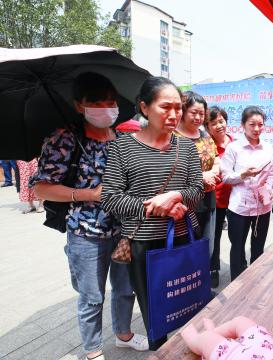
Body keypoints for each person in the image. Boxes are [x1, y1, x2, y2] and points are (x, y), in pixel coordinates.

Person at [31, 72, 147, 360]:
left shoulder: (122, 137)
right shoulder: (64, 137)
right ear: (79, 105)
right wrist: (87, 194)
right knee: (92, 297)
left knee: (125, 288)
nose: (105, 107)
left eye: (110, 101)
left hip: (124, 232)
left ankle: (123, 334)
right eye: (95, 101)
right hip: (86, 234)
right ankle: (93, 350)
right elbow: (41, 188)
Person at [101, 76, 203, 350]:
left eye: (178, 108)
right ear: (145, 108)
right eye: (165, 107)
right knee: (155, 312)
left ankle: (192, 348)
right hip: (145, 246)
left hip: (184, 239)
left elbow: (197, 191)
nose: (174, 115)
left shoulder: (187, 147)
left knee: (189, 300)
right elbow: (110, 198)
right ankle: (161, 352)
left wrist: (177, 196)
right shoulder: (122, 148)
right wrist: (154, 204)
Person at [220, 106, 273, 280]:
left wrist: (269, 188)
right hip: (239, 208)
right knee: (237, 247)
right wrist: (243, 174)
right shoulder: (234, 148)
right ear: (243, 125)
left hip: (262, 207)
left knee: (258, 247)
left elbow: (272, 174)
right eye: (252, 124)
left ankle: (256, 281)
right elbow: (226, 176)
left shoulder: (268, 148)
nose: (257, 128)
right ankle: (236, 282)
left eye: (260, 124)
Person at [175, 91, 219, 264]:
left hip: (208, 198)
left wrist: (215, 169)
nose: (198, 117)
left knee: (206, 246)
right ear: (183, 111)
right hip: (186, 201)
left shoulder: (205, 135)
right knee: (186, 248)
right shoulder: (173, 137)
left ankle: (201, 286)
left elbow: (215, 158)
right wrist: (201, 176)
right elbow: (173, 170)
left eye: (202, 113)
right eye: (194, 113)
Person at [204, 106, 234, 288]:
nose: (219, 126)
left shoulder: (236, 144)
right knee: (214, 237)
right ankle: (213, 268)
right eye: (213, 123)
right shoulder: (207, 147)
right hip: (216, 200)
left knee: (236, 236)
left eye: (221, 121)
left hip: (236, 200)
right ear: (207, 127)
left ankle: (239, 264)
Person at [181, 316, 273, 360]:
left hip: (235, 356)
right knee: (241, 321)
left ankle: (195, 340)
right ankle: (213, 333)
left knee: (206, 338)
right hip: (268, 351)